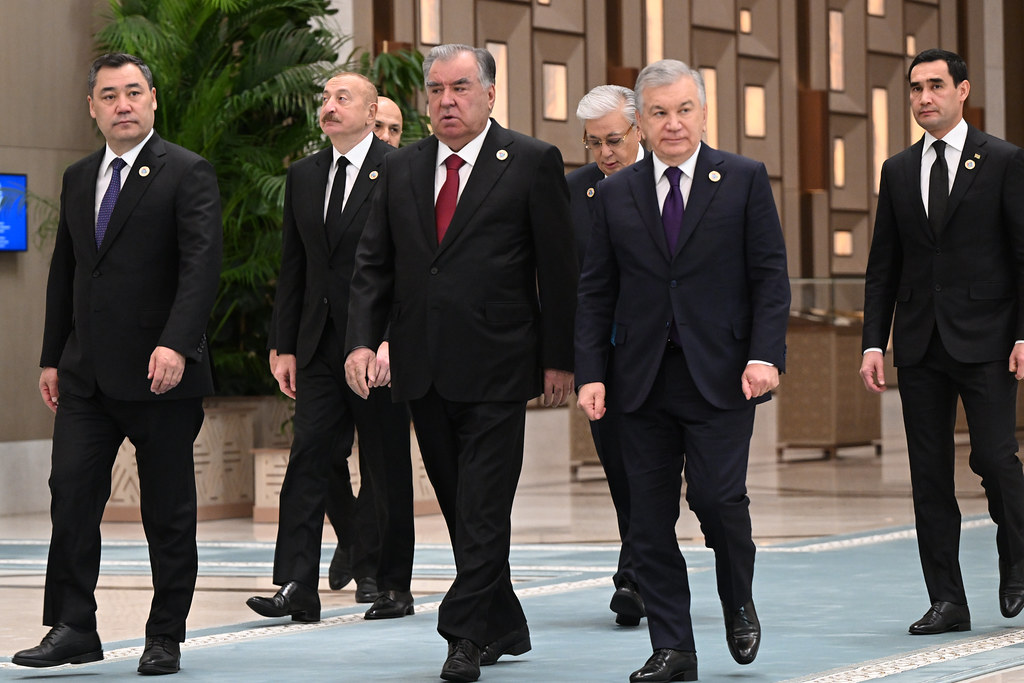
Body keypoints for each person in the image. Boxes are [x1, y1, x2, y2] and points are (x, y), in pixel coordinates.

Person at [344, 44, 577, 683]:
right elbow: (373, 264)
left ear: (490, 94)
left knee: (483, 506)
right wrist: (361, 341)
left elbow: (559, 271)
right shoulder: (401, 167)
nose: (448, 101)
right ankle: (505, 622)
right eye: (437, 89)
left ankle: (464, 634)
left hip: (499, 363)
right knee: (458, 504)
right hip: (422, 364)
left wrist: (560, 358)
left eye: (462, 88)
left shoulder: (530, 161)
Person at [576, 59, 790, 682]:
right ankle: (673, 647)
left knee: (718, 501)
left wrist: (765, 355)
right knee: (647, 519)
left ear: (703, 112)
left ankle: (738, 598)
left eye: (684, 109)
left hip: (722, 374)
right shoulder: (615, 193)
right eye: (660, 113)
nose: (673, 123)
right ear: (640, 123)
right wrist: (591, 372)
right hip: (638, 378)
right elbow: (596, 290)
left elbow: (769, 277)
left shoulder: (743, 179)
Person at [13, 52, 223, 676]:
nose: (122, 105)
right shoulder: (79, 176)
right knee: (71, 494)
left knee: (167, 510)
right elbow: (66, 272)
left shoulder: (187, 171)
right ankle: (73, 625)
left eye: (133, 92)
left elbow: (201, 267)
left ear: (153, 99)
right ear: (92, 107)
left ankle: (165, 634)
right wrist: (52, 356)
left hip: (162, 372)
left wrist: (177, 343)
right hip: (87, 375)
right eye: (109, 95)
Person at [860, 48, 1024, 636]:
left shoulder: (1003, 160)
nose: (924, 97)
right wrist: (873, 342)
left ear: (962, 90)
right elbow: (883, 264)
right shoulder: (897, 169)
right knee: (928, 477)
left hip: (988, 338)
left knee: (995, 460)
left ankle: (1018, 558)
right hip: (920, 343)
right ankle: (947, 600)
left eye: (935, 85)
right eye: (915, 88)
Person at [247, 72, 416, 624]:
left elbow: (410, 266)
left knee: (385, 465)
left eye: (343, 98)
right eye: (325, 98)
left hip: (376, 347)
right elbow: (294, 265)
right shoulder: (304, 174)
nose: (330, 105)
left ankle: (392, 583)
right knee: (309, 457)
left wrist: (391, 339)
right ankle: (297, 582)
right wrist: (283, 345)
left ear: (371, 112)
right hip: (318, 345)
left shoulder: (400, 169)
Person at [566, 84, 646, 627]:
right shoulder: (575, 191)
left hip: (667, 354)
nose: (604, 153)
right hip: (604, 360)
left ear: (640, 130)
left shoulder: (668, 183)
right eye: (593, 143)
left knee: (655, 473)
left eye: (614, 140)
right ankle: (639, 569)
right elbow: (565, 281)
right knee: (622, 473)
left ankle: (636, 575)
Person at [325, 91, 407, 602]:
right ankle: (355, 537)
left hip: (388, 341)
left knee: (381, 459)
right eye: (382, 128)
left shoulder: (405, 181)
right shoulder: (328, 177)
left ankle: (370, 558)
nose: (386, 138)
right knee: (321, 452)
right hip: (330, 336)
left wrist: (390, 337)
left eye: (395, 130)